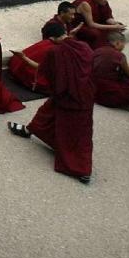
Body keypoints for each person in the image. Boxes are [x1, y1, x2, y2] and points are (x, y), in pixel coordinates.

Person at [8, 21, 95, 183]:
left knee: (76, 134)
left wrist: (23, 57)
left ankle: (82, 169)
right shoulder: (83, 46)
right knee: (45, 113)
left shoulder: (55, 52)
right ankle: (28, 130)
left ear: (52, 38)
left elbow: (40, 68)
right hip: (85, 95)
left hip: (68, 99)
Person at [9, 2, 77, 91]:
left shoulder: (60, 32)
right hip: (37, 70)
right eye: (71, 14)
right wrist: (23, 57)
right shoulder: (52, 41)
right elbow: (41, 67)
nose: (73, 17)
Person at [92, 31, 129, 110]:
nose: (123, 47)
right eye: (123, 44)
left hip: (92, 88)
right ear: (117, 43)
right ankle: (122, 104)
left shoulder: (97, 50)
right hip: (107, 91)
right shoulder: (119, 55)